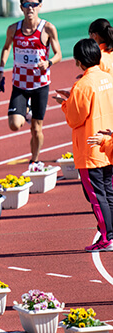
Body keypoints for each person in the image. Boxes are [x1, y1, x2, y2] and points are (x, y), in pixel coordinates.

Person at [53, 39, 113, 252]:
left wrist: (65, 103)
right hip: (109, 146)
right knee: (109, 192)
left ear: (79, 61)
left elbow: (74, 118)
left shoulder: (83, 85)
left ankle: (108, 237)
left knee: (97, 197)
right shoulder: (108, 78)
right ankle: (110, 234)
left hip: (90, 149)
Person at [0, 0, 62, 164]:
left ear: (40, 6)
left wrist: (49, 62)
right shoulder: (13, 29)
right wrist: (1, 71)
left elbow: (58, 53)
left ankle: (35, 160)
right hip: (20, 85)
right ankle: (27, 109)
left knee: (36, 128)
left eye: (33, 4)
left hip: (40, 85)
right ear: (21, 7)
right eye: (26, 4)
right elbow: (6, 47)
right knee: (14, 125)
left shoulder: (47, 28)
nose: (30, 7)